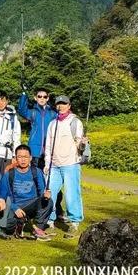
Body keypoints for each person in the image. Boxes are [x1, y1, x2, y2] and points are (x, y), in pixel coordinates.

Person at [43, 95, 87, 238]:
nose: (61, 106)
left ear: (69, 105)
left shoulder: (75, 122)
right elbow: (48, 145)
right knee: (50, 194)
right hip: (54, 165)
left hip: (71, 164)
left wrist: (83, 144)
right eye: (58, 104)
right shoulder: (52, 124)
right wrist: (47, 163)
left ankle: (74, 223)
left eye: (64, 104)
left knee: (71, 194)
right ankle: (49, 222)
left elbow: (79, 143)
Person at [0, 144, 53, 241]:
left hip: (31, 205)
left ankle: (38, 229)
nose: (23, 160)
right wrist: (14, 207)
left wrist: (46, 196)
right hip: (15, 207)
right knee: (9, 228)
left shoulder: (36, 172)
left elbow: (42, 192)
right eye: (20, 157)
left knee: (48, 201)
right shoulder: (9, 174)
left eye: (25, 157)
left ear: (30, 158)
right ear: (15, 158)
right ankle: (20, 223)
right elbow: (3, 195)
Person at [18, 87, 57, 169]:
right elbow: (21, 110)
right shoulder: (33, 112)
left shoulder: (53, 114)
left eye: (44, 97)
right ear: (35, 98)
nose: (42, 98)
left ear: (48, 98)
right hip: (34, 151)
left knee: (46, 177)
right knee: (34, 176)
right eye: (39, 96)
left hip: (49, 151)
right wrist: (24, 94)